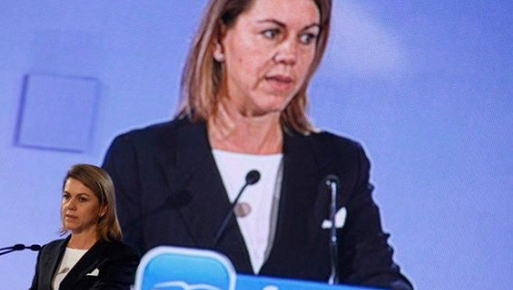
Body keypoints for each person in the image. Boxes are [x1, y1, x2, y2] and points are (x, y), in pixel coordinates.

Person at [102, 0, 412, 289]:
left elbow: (379, 280)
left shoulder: (338, 164)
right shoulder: (140, 158)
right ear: (219, 41)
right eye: (272, 33)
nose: (290, 54)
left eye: (307, 37)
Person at [29, 164, 139, 290]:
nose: (70, 206)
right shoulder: (48, 251)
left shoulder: (120, 256)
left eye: (82, 199)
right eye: (67, 196)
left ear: (103, 208)